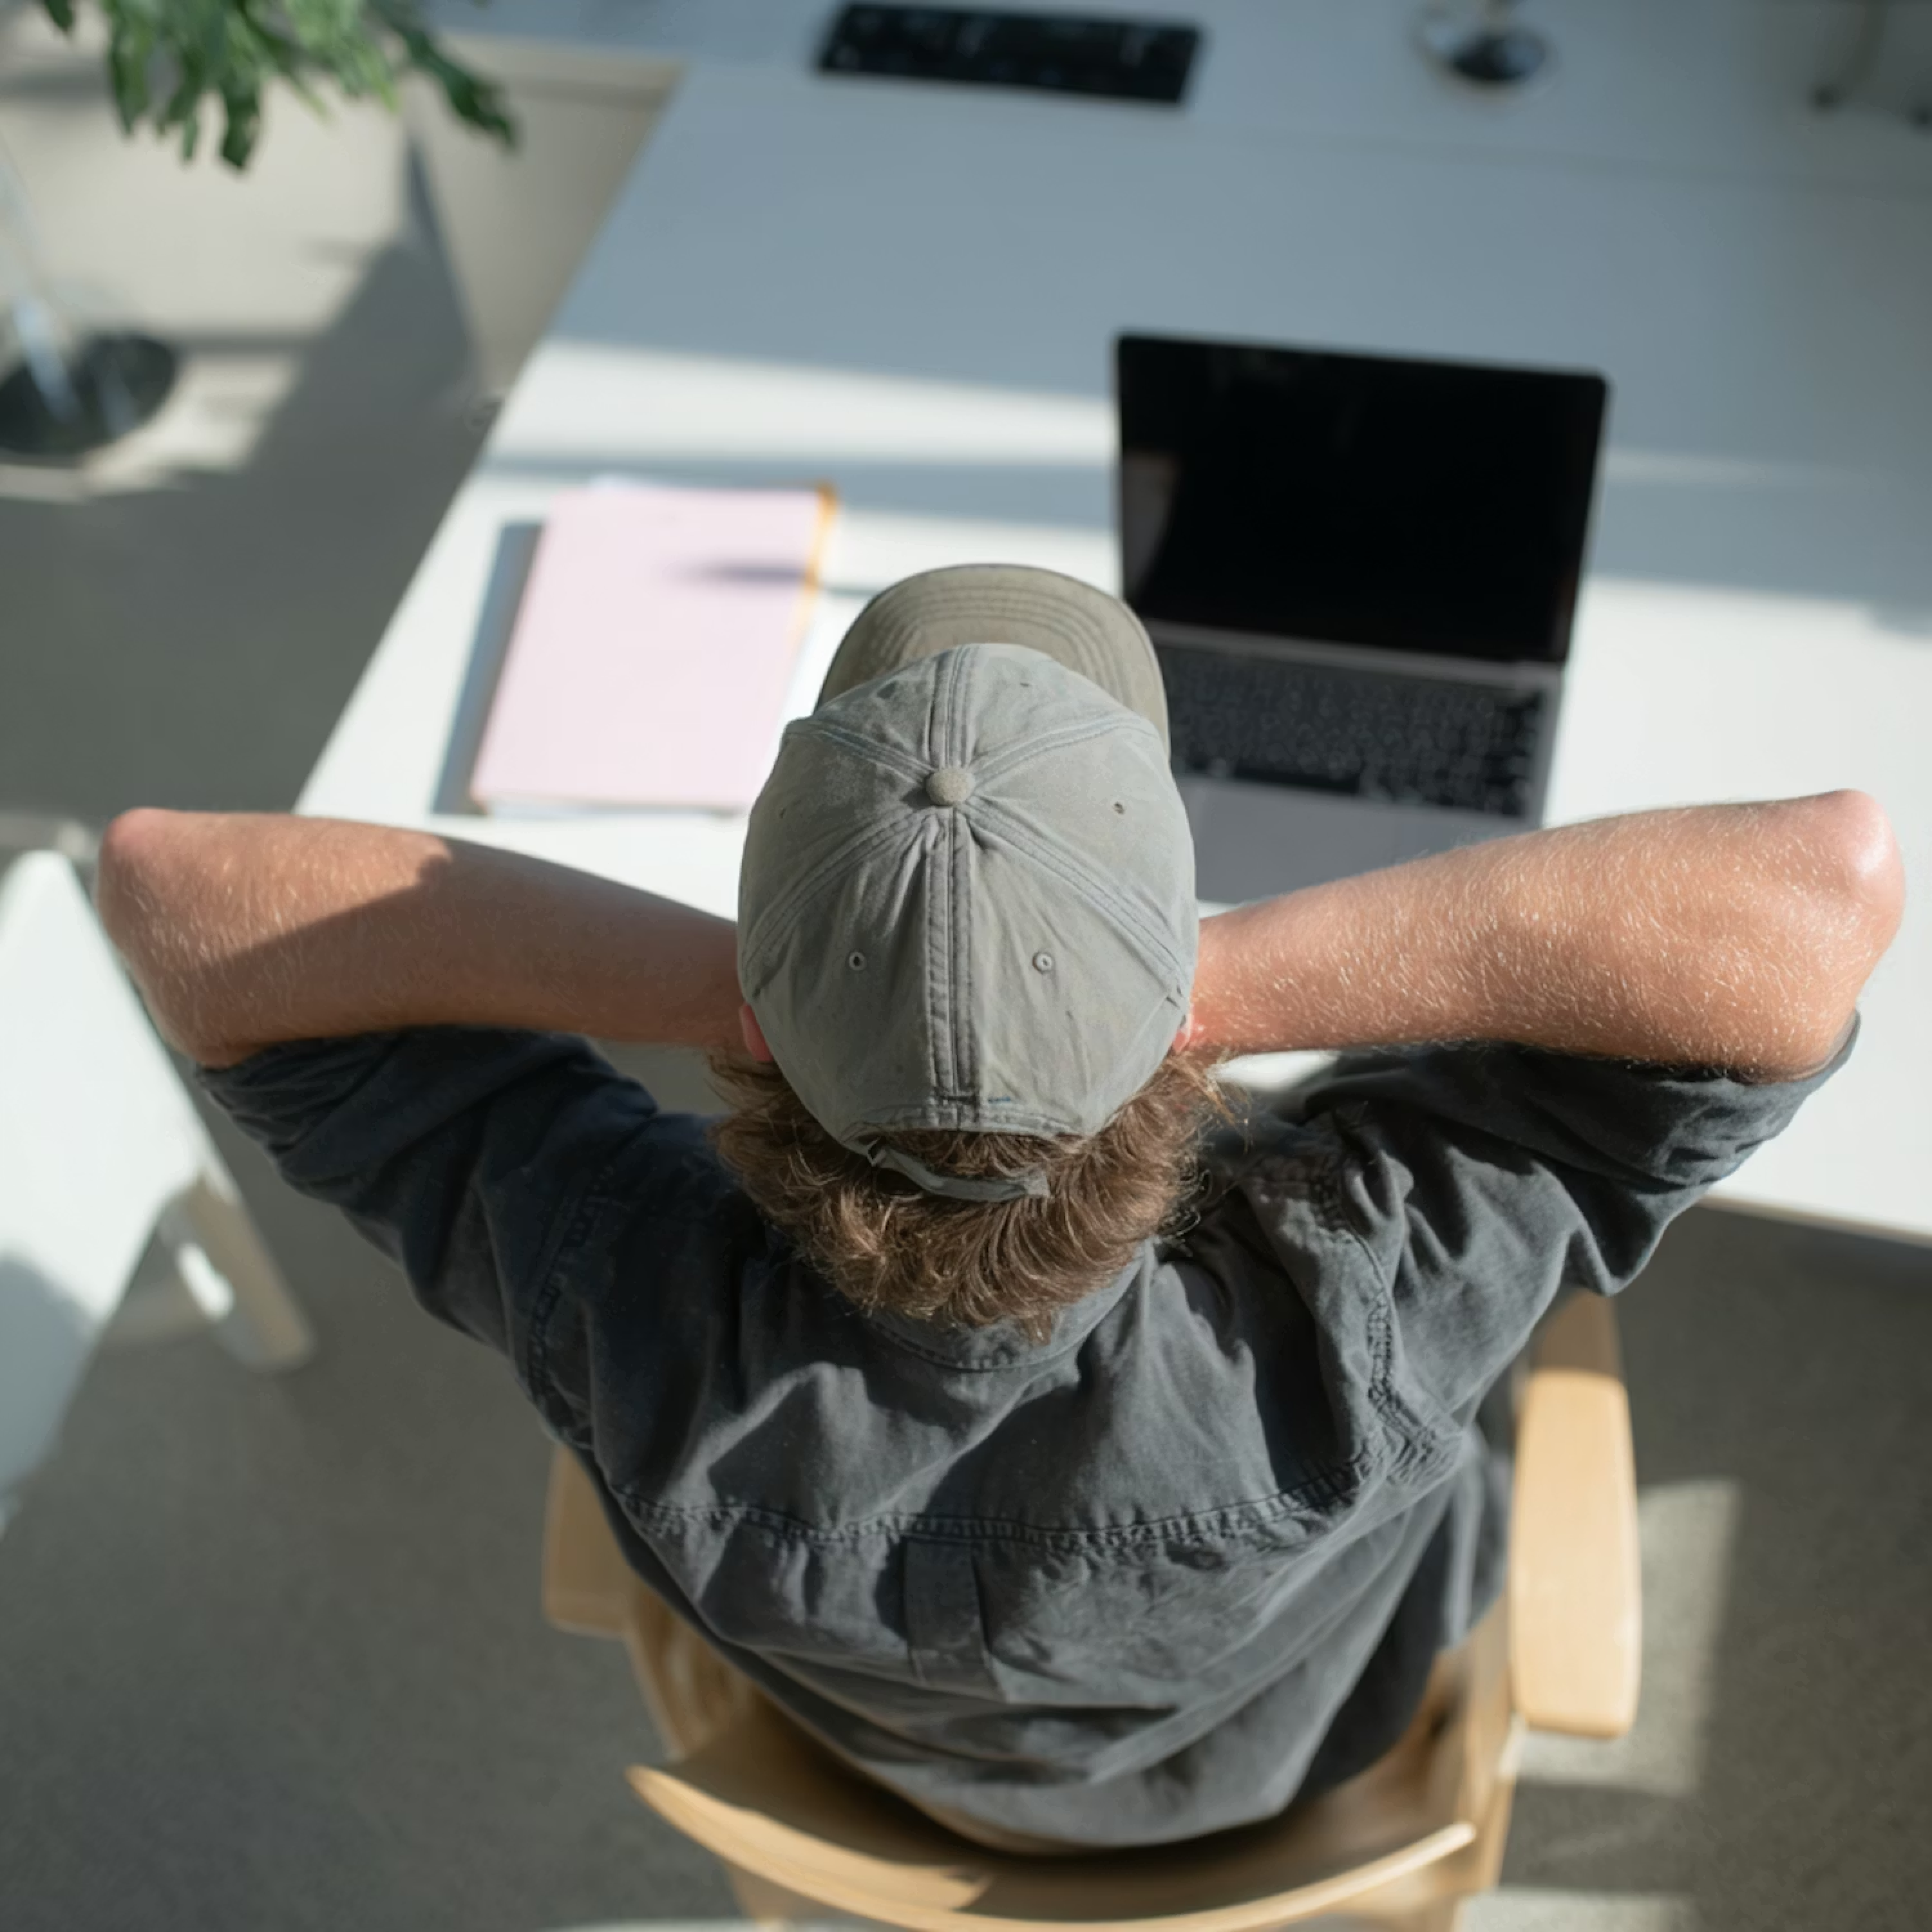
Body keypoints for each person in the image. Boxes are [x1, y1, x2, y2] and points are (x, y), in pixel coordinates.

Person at [97, 565, 1903, 1853]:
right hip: (1306, 1762)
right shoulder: (1364, 1296)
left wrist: (778, 994)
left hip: (886, 1781)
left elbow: (172, 891)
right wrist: (1200, 984)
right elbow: (1826, 890)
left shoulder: (614, 1293)